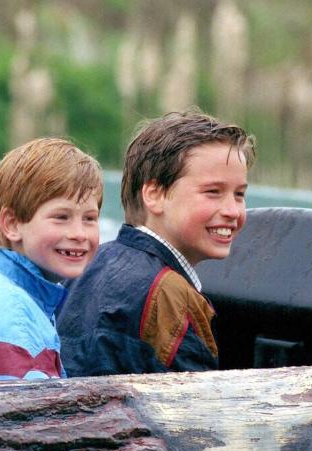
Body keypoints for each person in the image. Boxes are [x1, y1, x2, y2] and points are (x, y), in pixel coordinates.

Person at [59, 109, 256, 377]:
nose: (233, 211)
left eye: (239, 194)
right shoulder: (171, 295)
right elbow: (197, 410)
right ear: (154, 195)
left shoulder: (90, 263)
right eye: (213, 192)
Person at [0, 138, 102, 380]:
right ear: (12, 224)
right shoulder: (13, 317)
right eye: (61, 217)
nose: (79, 234)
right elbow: (29, 413)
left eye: (90, 218)